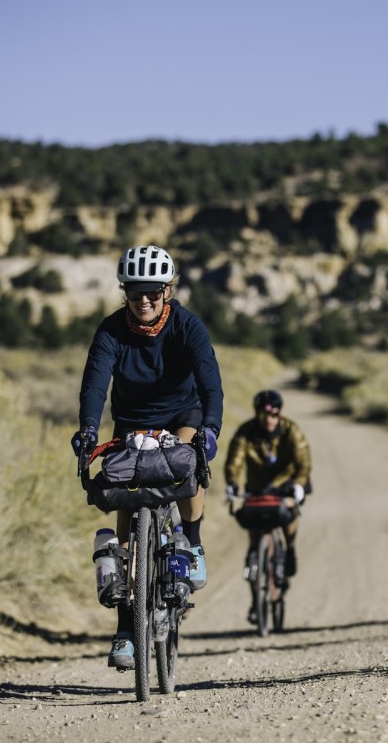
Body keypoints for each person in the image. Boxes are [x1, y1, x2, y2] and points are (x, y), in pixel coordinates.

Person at [73, 245, 224, 669]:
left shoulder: (188, 327)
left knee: (188, 461)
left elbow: (210, 383)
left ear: (168, 290)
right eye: (135, 291)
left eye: (153, 292)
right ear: (125, 291)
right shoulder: (110, 332)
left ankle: (191, 542)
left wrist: (210, 430)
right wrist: (87, 429)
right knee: (126, 503)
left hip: (182, 413)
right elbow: (94, 386)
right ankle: (126, 627)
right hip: (131, 421)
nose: (144, 300)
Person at [224, 389, 312, 624]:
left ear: (280, 414)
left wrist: (300, 485)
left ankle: (290, 549)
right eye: (264, 415)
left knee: (290, 513)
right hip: (257, 489)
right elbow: (235, 460)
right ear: (257, 414)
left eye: (274, 415)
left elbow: (303, 460)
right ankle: (255, 597)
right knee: (254, 542)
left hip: (286, 485)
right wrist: (232, 484)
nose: (269, 419)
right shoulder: (246, 432)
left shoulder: (291, 430)